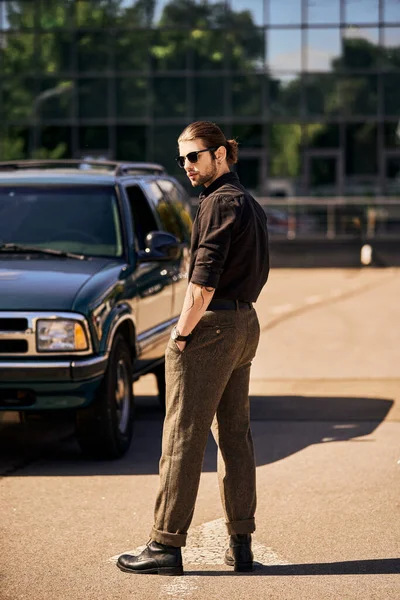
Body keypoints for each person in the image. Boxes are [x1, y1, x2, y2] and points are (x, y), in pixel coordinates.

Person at [117, 121, 270, 576]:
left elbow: (202, 283)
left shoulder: (219, 204)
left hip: (212, 326)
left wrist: (181, 334)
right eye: (182, 157)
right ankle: (241, 543)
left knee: (181, 436)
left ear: (220, 154)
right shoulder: (249, 203)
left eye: (194, 156)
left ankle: (165, 545)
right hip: (244, 322)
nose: (186, 165)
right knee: (235, 435)